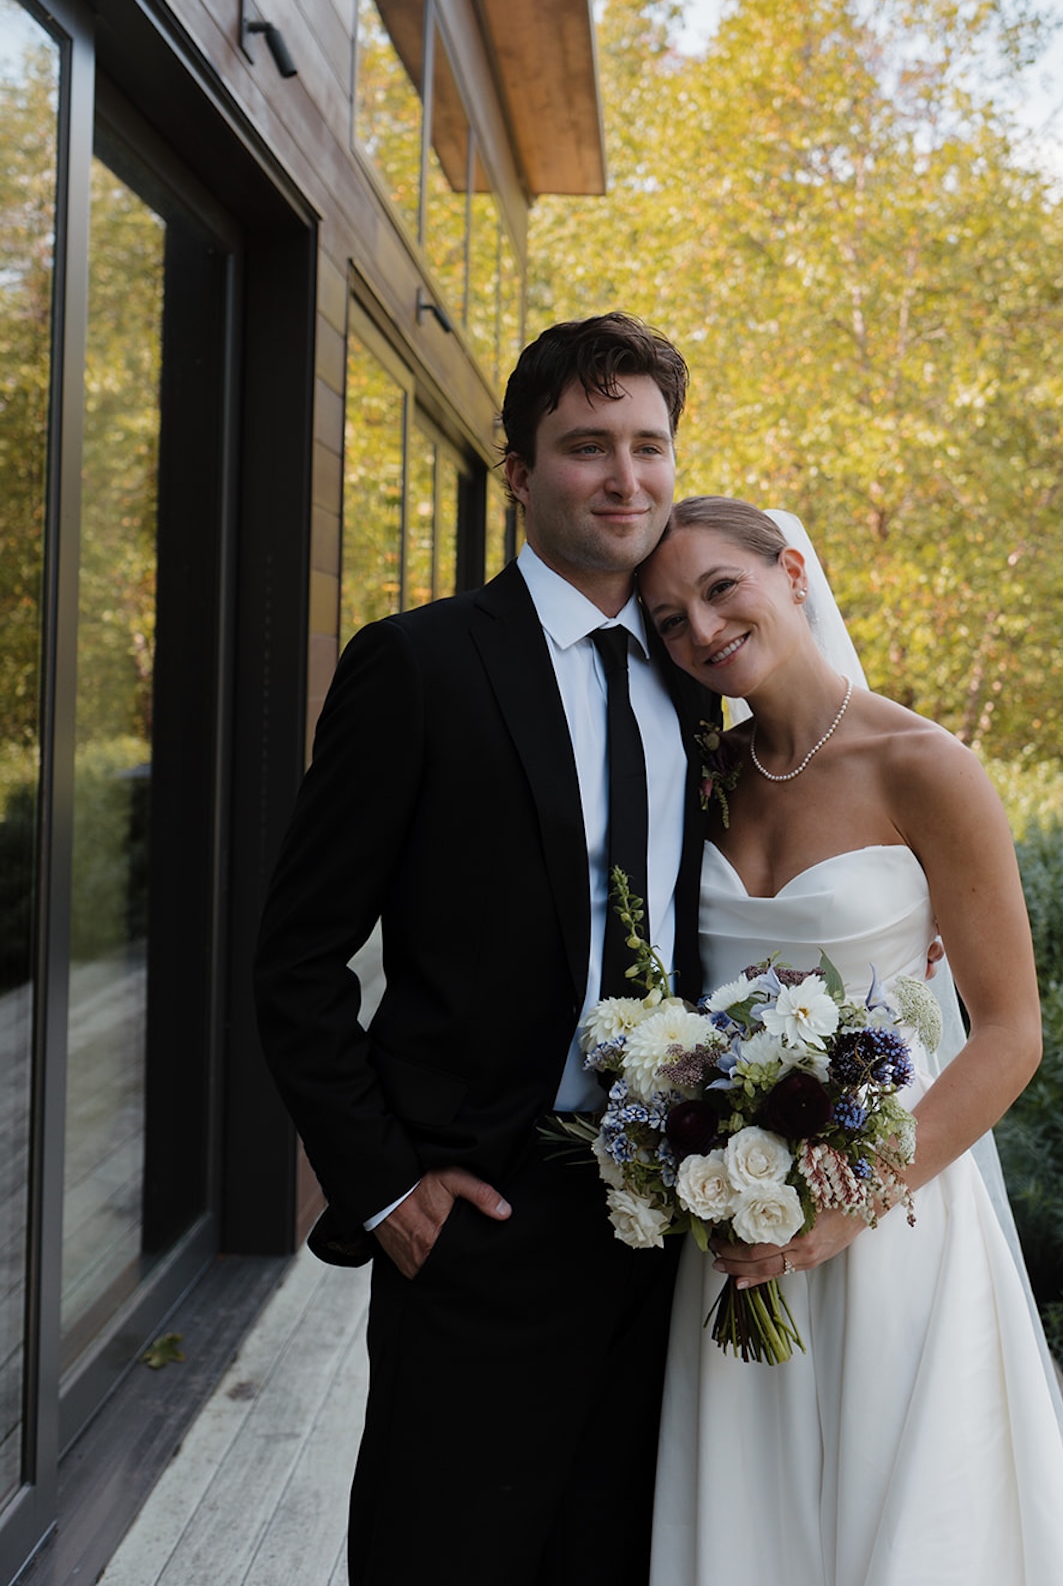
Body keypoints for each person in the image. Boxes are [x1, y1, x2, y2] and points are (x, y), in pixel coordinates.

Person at [254, 314, 717, 1586]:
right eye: (584, 448)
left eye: (647, 445)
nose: (624, 478)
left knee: (617, 1557)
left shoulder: (696, 679)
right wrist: (390, 1193)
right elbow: (294, 959)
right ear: (517, 472)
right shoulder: (416, 667)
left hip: (666, 1222)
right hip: (477, 1215)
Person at [636, 497, 1063, 1586]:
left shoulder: (922, 764)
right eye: (669, 619)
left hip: (894, 1207)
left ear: (793, 571)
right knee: (752, 1526)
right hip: (736, 1216)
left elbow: (1008, 1034)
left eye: (722, 587)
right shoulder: (698, 781)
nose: (703, 630)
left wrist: (839, 1209)